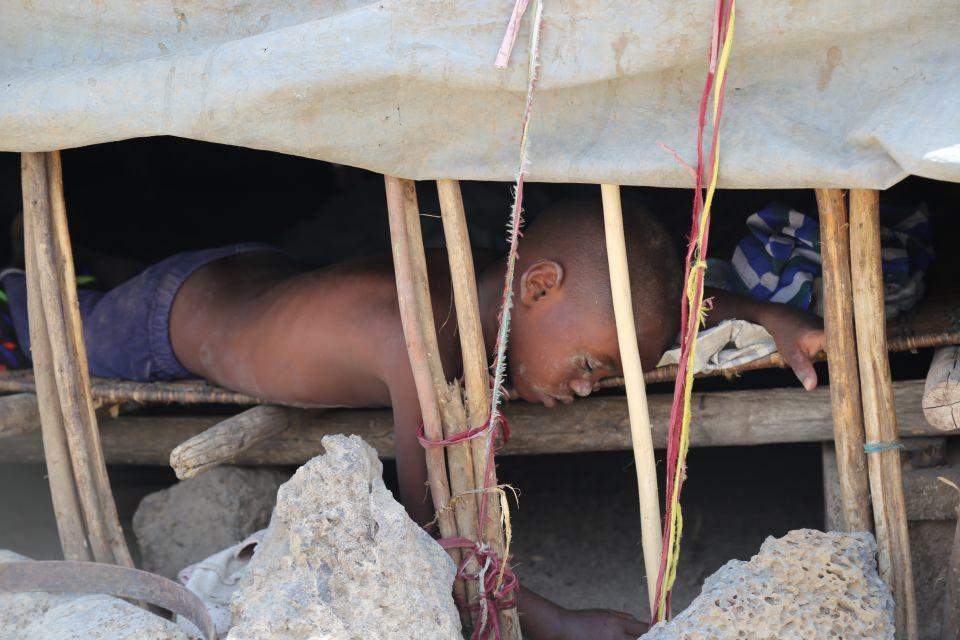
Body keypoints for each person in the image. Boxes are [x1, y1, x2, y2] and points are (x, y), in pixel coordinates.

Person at [0, 197, 825, 639]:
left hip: (257, 274)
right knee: (49, 323)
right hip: (170, 320)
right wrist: (561, 623)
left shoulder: (497, 286)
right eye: (591, 365)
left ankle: (95, 266)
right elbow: (427, 530)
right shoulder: (417, 343)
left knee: (130, 277)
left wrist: (766, 314)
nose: (588, 386)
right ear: (538, 287)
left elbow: (647, 310)